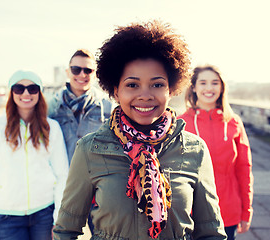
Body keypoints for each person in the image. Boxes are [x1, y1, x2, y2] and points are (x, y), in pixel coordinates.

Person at [53, 21, 227, 240]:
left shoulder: (194, 149)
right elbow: (66, 231)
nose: (145, 95)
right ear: (115, 91)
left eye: (157, 84)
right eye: (132, 85)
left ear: (170, 89)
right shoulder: (90, 149)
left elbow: (211, 233)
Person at [0, 70, 69, 240]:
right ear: (11, 93)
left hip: (44, 214)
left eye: (32, 88)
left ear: (39, 94)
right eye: (19, 88)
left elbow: (63, 174)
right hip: (7, 217)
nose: (26, 93)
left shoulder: (52, 128)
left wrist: (59, 219)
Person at [178, 65, 253, 240]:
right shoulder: (180, 123)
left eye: (215, 83)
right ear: (194, 87)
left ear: (222, 87)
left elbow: (244, 169)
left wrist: (246, 210)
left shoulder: (234, 122)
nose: (209, 88)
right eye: (203, 83)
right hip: (189, 213)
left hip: (227, 212)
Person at [48, 49, 112, 163]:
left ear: (95, 74)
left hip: (96, 178)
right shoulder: (52, 107)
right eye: (76, 69)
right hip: (62, 177)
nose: (82, 75)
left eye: (88, 70)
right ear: (67, 72)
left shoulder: (108, 107)